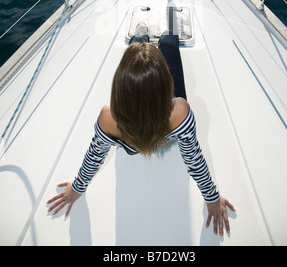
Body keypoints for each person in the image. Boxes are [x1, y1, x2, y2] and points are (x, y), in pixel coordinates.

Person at [47, 24, 235, 236]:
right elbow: (192, 157)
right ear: (167, 83)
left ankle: (140, 34)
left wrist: (77, 188)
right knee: (169, 41)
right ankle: (165, 35)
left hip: (132, 140)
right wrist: (211, 197)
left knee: (136, 51)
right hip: (166, 124)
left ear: (120, 84)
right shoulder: (179, 111)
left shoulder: (108, 117)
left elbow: (95, 155)